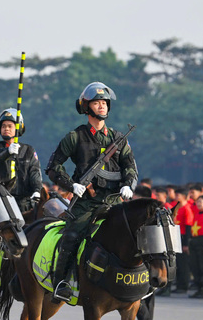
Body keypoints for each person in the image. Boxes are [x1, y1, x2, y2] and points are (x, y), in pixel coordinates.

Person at [45, 82, 138, 302]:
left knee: (136, 235)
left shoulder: (118, 138)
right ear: (87, 107)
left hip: (115, 200)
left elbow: (130, 166)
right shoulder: (75, 137)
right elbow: (53, 166)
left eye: (104, 103)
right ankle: (61, 282)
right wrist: (71, 185)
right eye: (97, 103)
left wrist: (128, 184)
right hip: (87, 201)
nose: (102, 106)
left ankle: (140, 283)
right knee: (72, 236)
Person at [0, 109, 43, 271]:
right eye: (4, 126)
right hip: (1, 201)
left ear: (19, 128)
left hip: (23, 202)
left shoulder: (28, 150)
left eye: (10, 126)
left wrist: (37, 190)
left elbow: (34, 172)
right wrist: (7, 152)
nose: (6, 129)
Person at [133, 184, 157, 320]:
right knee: (149, 292)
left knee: (135, 292)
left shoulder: (137, 214)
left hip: (139, 255)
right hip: (153, 257)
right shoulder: (156, 213)